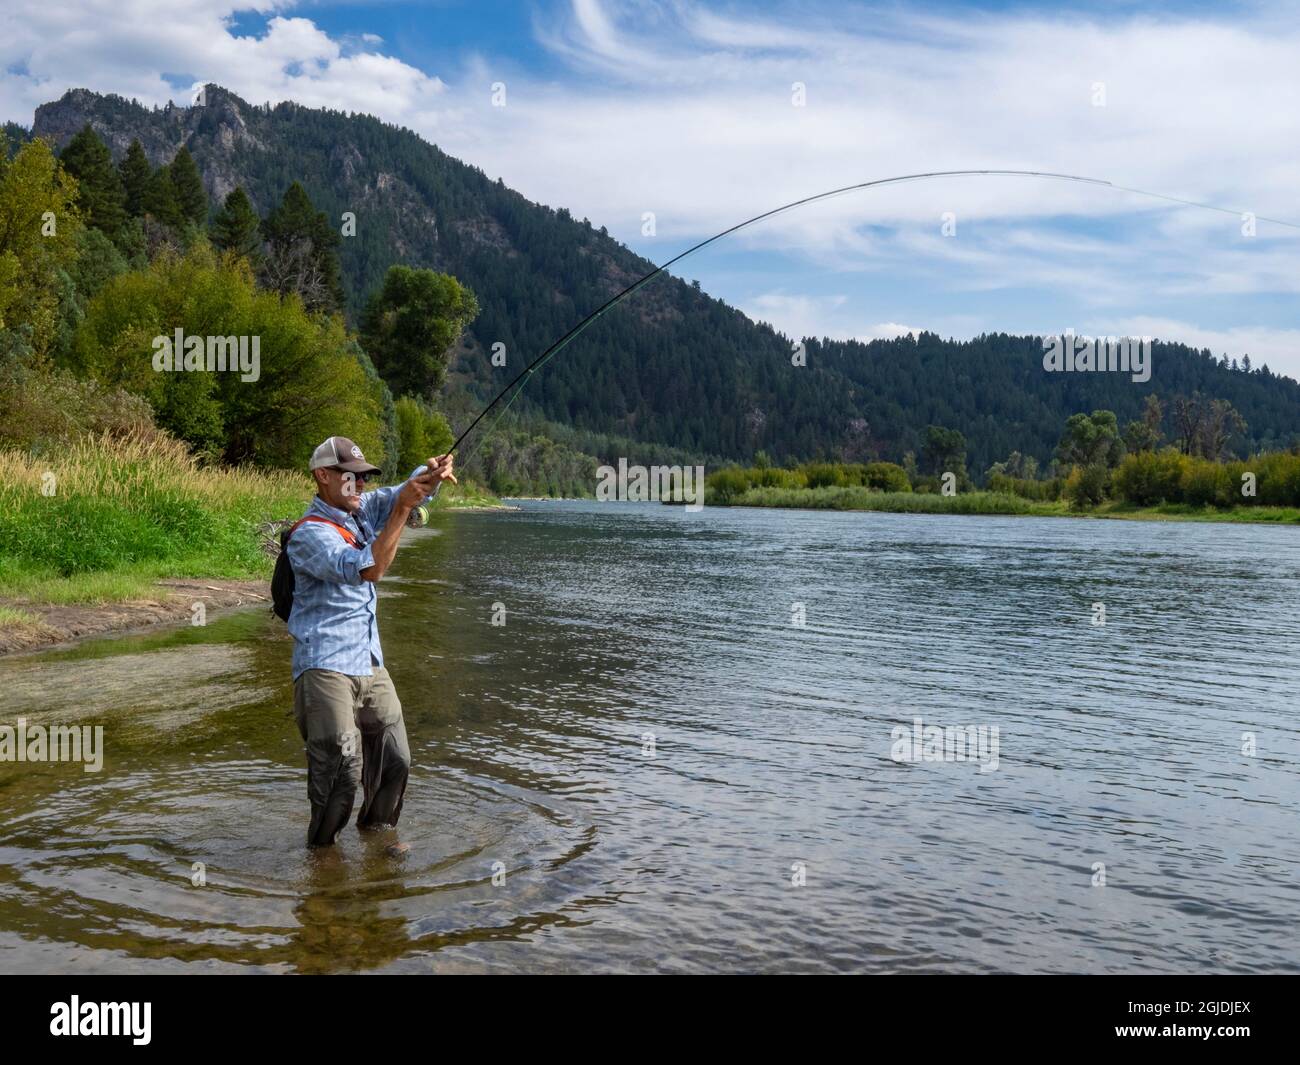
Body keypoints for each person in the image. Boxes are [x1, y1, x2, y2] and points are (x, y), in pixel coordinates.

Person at [285, 435, 456, 850]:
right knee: (341, 772)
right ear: (322, 477)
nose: (359, 485)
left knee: (396, 760)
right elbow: (370, 568)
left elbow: (401, 493)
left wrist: (427, 476)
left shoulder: (360, 512)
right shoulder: (309, 536)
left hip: (369, 661)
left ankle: (376, 844)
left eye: (363, 478)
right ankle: (322, 863)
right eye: (350, 477)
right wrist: (402, 510)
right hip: (325, 666)